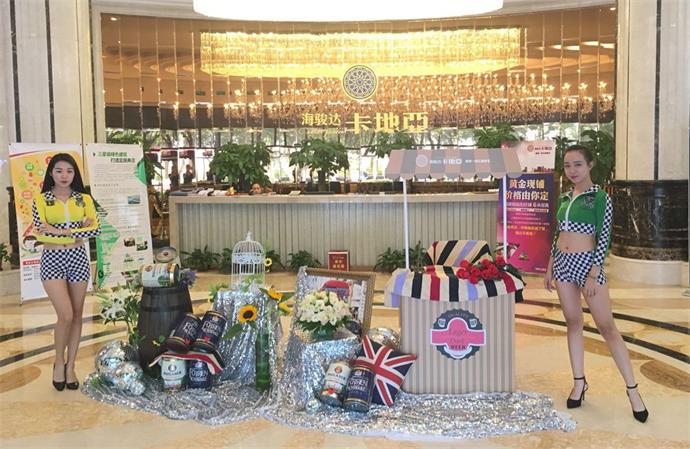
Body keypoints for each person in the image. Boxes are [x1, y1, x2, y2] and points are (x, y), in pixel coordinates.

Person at [544, 145, 648, 423]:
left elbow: (604, 236)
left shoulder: (600, 197)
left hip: (587, 265)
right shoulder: (565, 197)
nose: (572, 170)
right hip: (563, 265)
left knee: (606, 326)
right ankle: (579, 382)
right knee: (573, 322)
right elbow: (558, 233)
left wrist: (594, 272)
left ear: (590, 165)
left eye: (578, 164)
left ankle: (633, 390)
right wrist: (550, 265)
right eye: (567, 165)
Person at [31, 153, 101, 391]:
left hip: (78, 258)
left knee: (78, 314)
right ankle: (58, 361)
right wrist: (76, 230)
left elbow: (95, 230)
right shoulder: (41, 200)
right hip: (52, 258)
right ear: (51, 173)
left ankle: (71, 366)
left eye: (69, 171)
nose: (64, 175)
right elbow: (40, 233)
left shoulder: (84, 199)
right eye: (59, 170)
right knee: (66, 314)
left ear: (75, 174)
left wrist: (60, 231)